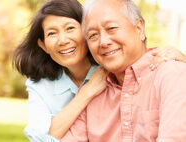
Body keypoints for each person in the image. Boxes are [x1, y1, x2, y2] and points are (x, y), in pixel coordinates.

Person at [61, 0, 186, 141]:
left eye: (111, 28)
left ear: (139, 29)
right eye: (93, 35)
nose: (103, 41)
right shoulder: (92, 91)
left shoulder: (171, 75)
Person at [13, 0, 107, 141]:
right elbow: (39, 137)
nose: (62, 40)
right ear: (43, 45)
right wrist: (87, 93)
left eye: (70, 28)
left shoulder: (110, 68)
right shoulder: (40, 85)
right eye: (52, 33)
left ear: (87, 31)